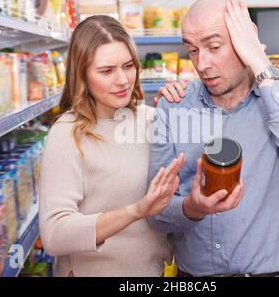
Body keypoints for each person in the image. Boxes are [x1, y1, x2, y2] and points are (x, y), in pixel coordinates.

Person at [147, 0, 279, 277]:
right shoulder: (174, 107)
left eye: (214, 46)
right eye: (193, 50)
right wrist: (191, 208)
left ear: (246, 39)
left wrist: (259, 60)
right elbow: (156, 214)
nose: (202, 63)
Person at [38, 15, 186, 277]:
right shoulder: (67, 134)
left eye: (128, 66)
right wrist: (135, 211)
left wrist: (178, 107)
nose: (122, 80)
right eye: (106, 71)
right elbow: (55, 234)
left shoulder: (151, 119)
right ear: (81, 75)